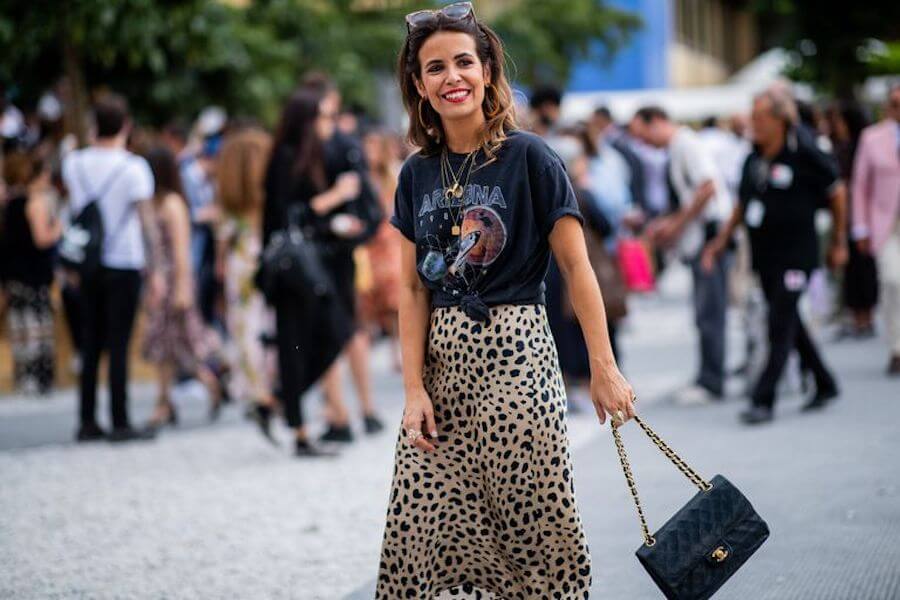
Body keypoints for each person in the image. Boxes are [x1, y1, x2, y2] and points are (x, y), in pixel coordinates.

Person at [376, 4, 635, 597]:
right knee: (419, 529)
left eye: (464, 62)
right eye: (434, 67)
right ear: (419, 85)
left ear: (488, 70)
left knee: (534, 528)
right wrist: (413, 390)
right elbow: (414, 287)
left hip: (518, 356)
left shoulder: (531, 156)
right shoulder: (417, 173)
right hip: (442, 371)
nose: (452, 77)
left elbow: (576, 265)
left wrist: (603, 368)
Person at [703, 89, 847, 424]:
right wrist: (721, 240)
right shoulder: (753, 158)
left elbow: (837, 192)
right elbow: (741, 204)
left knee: (778, 321)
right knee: (789, 319)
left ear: (781, 120)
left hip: (798, 255)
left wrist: (839, 241)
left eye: (760, 118)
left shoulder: (805, 152)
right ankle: (824, 382)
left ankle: (763, 398)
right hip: (766, 257)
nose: (753, 124)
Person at [262, 87, 379, 457]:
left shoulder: (312, 156)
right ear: (307, 122)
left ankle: (278, 401)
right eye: (324, 118)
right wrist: (335, 197)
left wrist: (338, 221)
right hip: (290, 269)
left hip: (312, 263)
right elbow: (288, 216)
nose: (333, 124)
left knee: (333, 333)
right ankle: (297, 428)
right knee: (298, 342)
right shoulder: (285, 157)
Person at [61, 94, 163, 442]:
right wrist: (158, 269)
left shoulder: (73, 163)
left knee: (91, 342)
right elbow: (147, 224)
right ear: (126, 126)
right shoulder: (134, 167)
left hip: (86, 262)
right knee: (119, 343)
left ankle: (87, 419)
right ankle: (120, 419)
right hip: (123, 260)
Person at [631, 106, 733, 404]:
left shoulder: (686, 145)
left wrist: (676, 225)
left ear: (657, 122)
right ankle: (708, 375)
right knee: (705, 311)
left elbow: (707, 188)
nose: (644, 145)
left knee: (709, 311)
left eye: (643, 136)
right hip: (702, 237)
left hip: (710, 238)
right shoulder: (680, 147)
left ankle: (712, 380)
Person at [141, 145, 223, 429]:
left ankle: (207, 384)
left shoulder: (172, 204)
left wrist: (183, 288)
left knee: (182, 345)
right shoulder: (150, 202)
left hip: (174, 280)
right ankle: (166, 401)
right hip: (156, 281)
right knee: (163, 347)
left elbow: (181, 250)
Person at [215, 128, 279, 440]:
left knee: (245, 329)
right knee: (267, 327)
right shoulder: (268, 197)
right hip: (265, 260)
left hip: (239, 264)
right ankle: (268, 391)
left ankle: (257, 391)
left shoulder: (230, 201)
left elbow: (222, 243)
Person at [0, 150, 60, 394]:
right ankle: (38, 379)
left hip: (13, 274)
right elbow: (42, 238)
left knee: (20, 328)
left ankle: (25, 378)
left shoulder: (9, 203)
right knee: (37, 327)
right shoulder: (35, 203)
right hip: (32, 274)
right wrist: (58, 227)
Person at [851, 84, 900, 375]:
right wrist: (860, 228)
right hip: (886, 224)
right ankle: (896, 346)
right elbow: (860, 186)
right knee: (893, 282)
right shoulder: (872, 138)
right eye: (895, 103)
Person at [827, 101, 877, 339]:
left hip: (862, 216)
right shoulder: (844, 147)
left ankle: (864, 316)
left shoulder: (859, 147)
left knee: (863, 269)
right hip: (852, 217)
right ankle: (860, 316)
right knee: (857, 269)